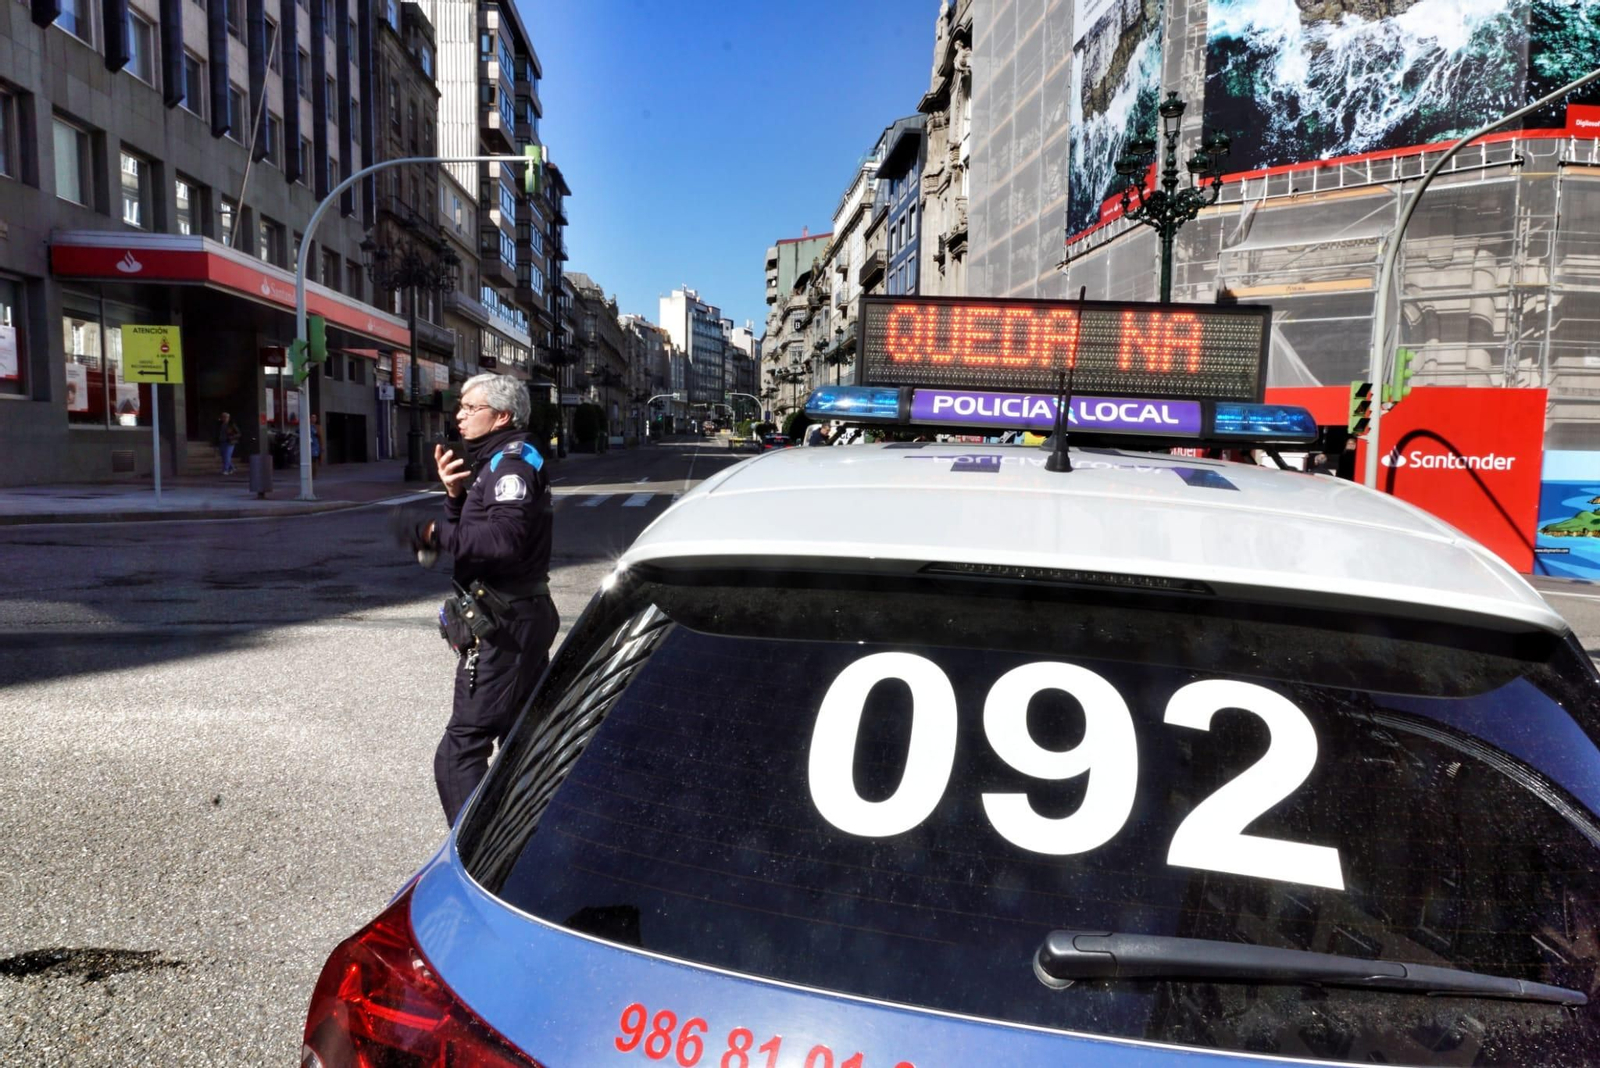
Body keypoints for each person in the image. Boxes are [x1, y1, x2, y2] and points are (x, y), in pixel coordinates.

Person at [416, 372, 559, 825]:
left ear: (501, 416)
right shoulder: (494, 460)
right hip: (512, 616)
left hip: (507, 622)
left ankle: (475, 859)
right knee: (524, 740)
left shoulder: (512, 464)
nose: (458, 415)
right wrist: (455, 498)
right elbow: (483, 531)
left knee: (458, 755)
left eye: (469, 407)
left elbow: (502, 541)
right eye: (459, 406)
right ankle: (529, 836)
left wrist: (435, 533)